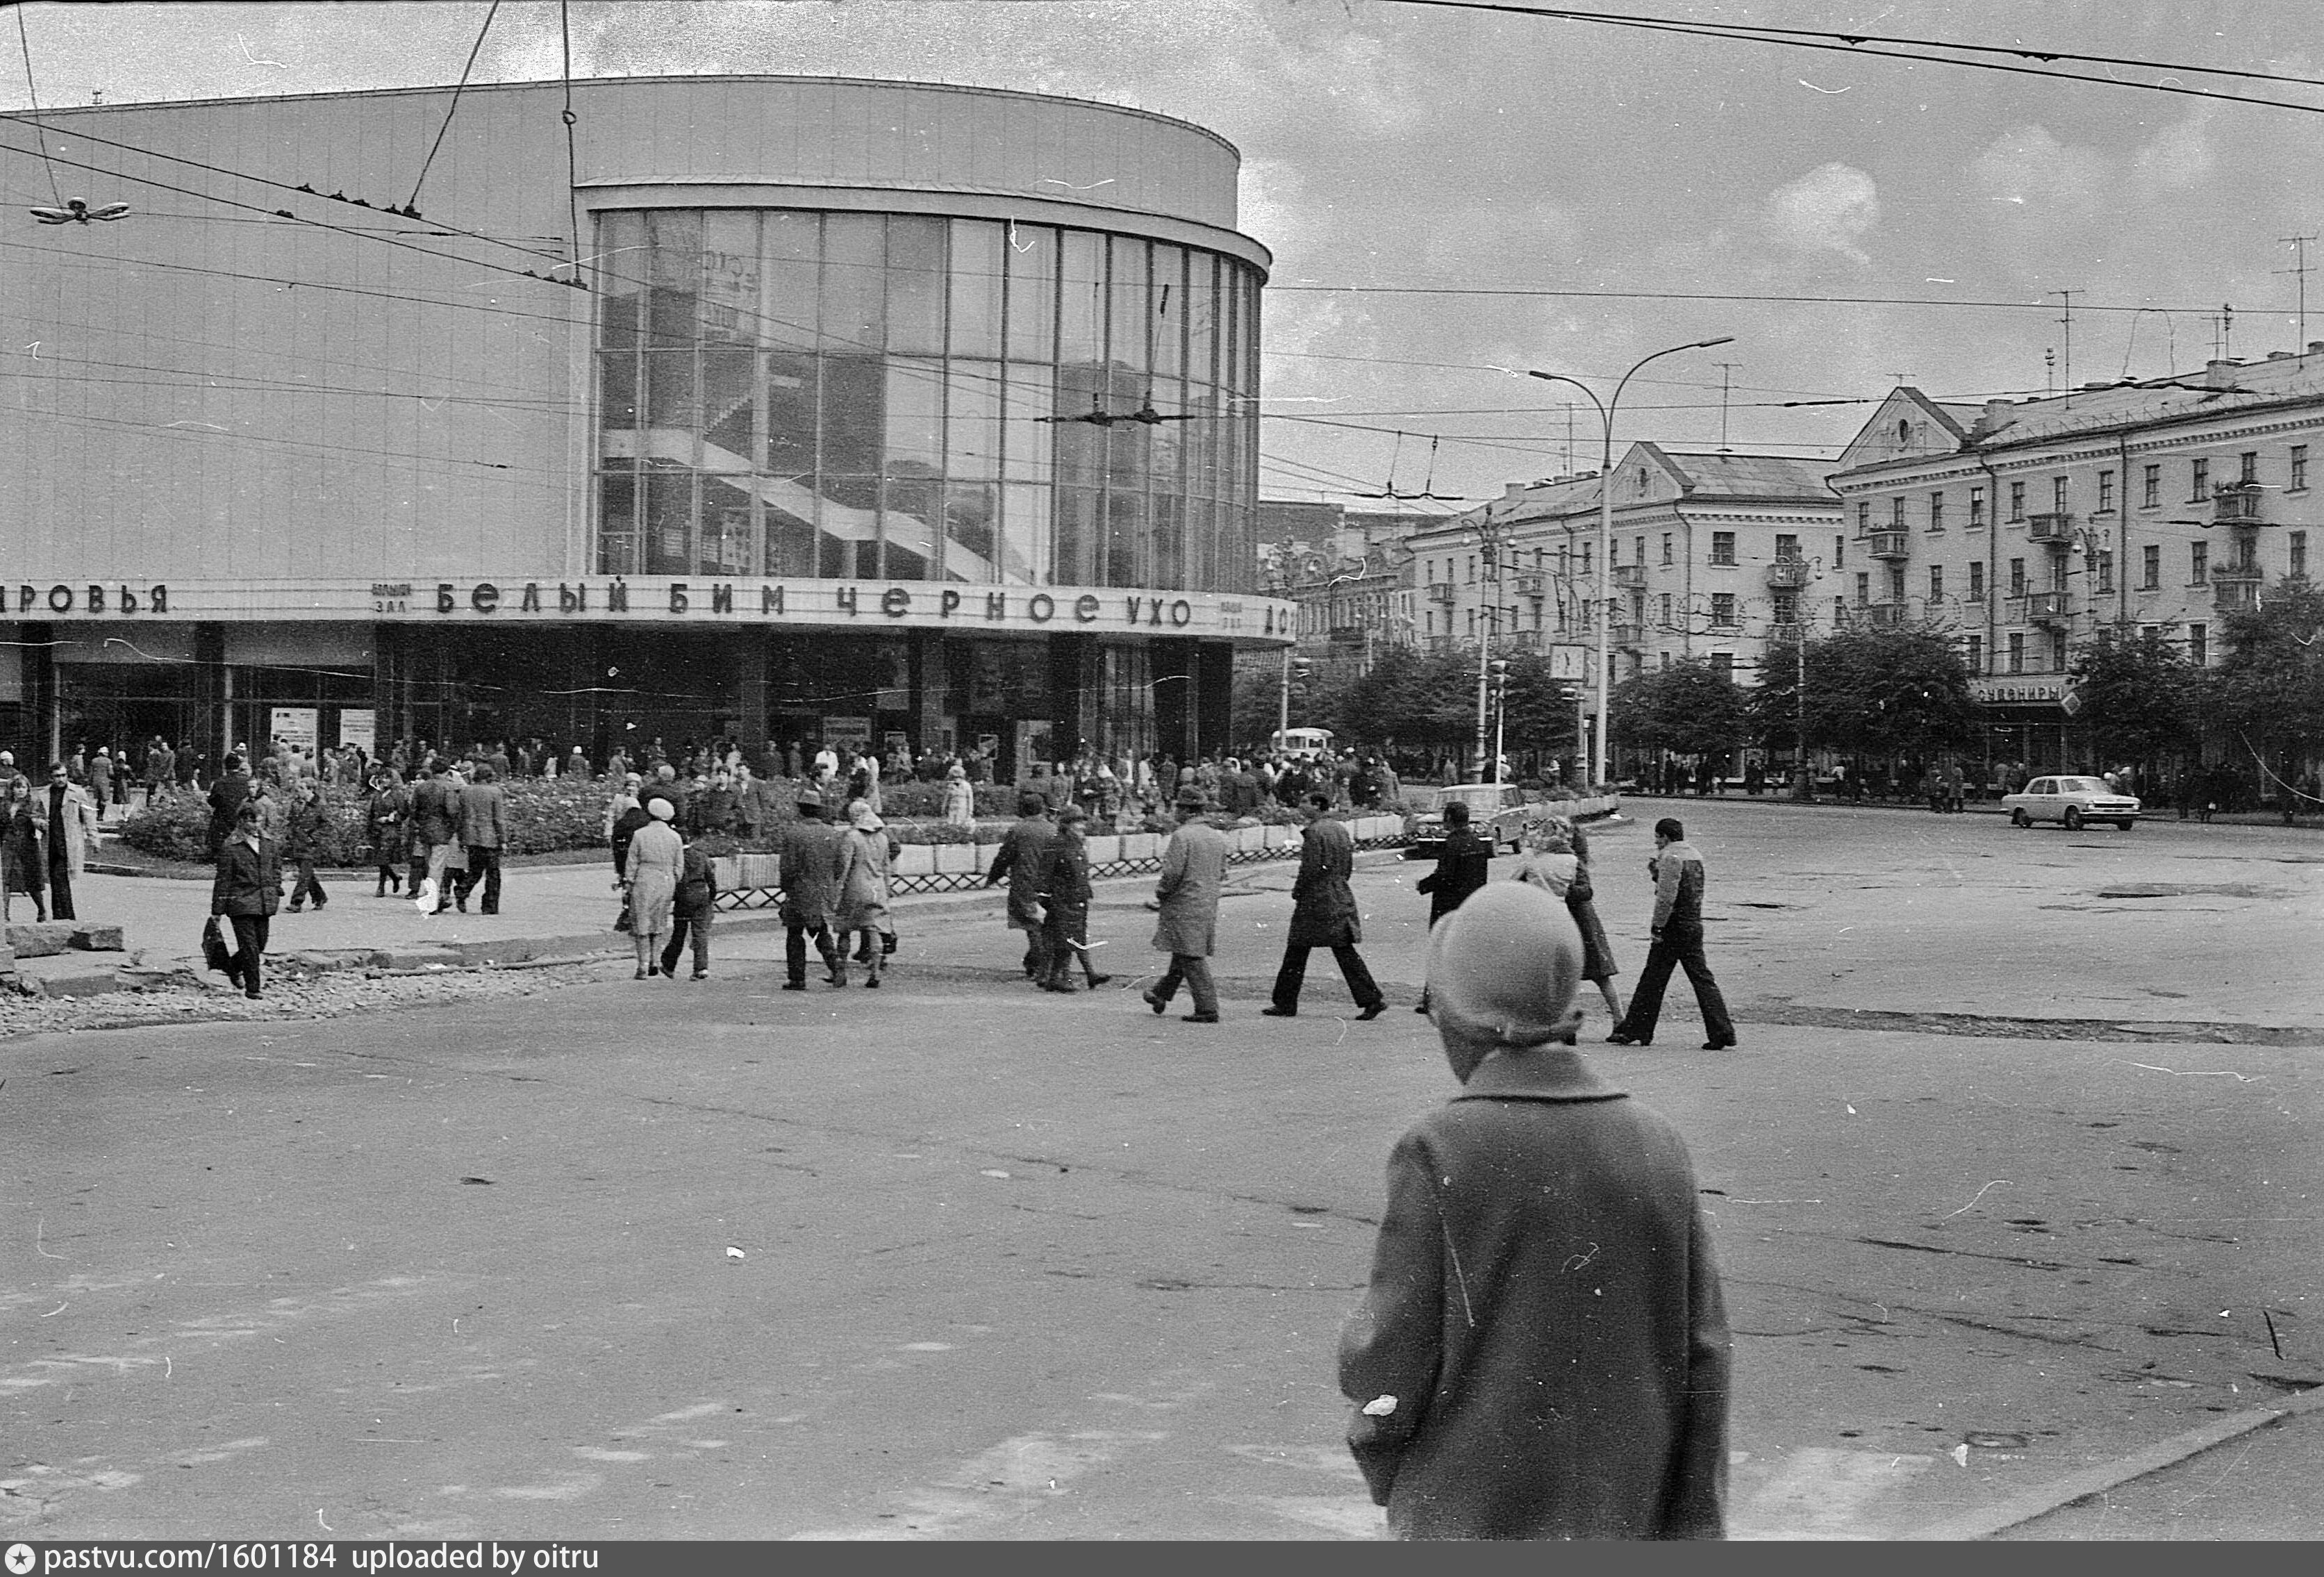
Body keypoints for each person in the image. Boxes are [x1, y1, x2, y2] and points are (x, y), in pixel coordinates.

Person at [1338, 881, 1731, 1540]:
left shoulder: (1439, 1148)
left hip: (1466, 1516)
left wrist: (1389, 1470)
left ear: (1461, 1017)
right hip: (1626, 1517)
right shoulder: (1657, 1142)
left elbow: (1389, 1357)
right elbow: (1705, 1357)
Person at [1607, 817, 1736, 1051]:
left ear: (1665, 836)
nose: (1656, 842)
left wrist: (1657, 927)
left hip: (1673, 926)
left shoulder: (1670, 857)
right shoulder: (1694, 854)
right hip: (1693, 923)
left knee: (1652, 979)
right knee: (1702, 979)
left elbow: (1666, 897)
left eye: (1658, 837)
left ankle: (1636, 1029)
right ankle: (1722, 1031)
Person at [1265, 791, 1387, 1020]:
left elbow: (1310, 868)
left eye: (1305, 802)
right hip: (1338, 893)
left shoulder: (1314, 832)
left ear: (1317, 805)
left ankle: (1285, 1002)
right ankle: (1371, 998)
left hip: (1316, 899)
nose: (1301, 806)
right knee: (1342, 949)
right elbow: (1348, 865)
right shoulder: (1339, 829)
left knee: (1297, 949)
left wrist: (1299, 890)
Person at [1511, 816, 1623, 1025]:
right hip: (1567, 919)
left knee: (1598, 974)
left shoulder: (1572, 861)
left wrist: (1565, 892)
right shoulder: (1544, 859)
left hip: (1581, 921)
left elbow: (1586, 891)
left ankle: (1618, 1017)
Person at [1141, 788, 1229, 1023]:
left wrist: (1161, 892)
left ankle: (1207, 1007)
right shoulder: (1217, 836)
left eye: (1178, 807)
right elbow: (1223, 872)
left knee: (1190, 955)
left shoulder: (1183, 836)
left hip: (1183, 902)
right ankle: (1160, 993)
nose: (1175, 811)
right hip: (1207, 902)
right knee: (1184, 950)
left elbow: (1172, 873)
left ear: (1187, 810)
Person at [1412, 798, 1492, 1016]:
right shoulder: (1477, 842)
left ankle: (1431, 1000)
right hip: (1470, 904)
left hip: (1448, 905)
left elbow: (1445, 876)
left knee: (1439, 951)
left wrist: (1424, 885)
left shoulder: (1452, 844)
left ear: (1449, 819)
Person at [210, 800, 283, 1000]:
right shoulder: (231, 846)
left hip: (264, 901)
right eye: (252, 822)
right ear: (242, 821)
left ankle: (232, 967)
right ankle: (253, 988)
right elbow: (223, 880)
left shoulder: (268, 842)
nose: (256, 826)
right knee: (250, 947)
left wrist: (275, 887)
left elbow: (276, 867)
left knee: (260, 944)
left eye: (259, 821)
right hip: (240, 902)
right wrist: (217, 910)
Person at [986, 791, 1059, 983]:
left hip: (1025, 884)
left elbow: (1004, 857)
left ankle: (1040, 967)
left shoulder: (1019, 830)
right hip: (1050, 884)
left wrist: (993, 877)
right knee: (1045, 925)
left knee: (1032, 925)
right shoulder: (1053, 829)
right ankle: (1035, 963)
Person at [1036, 804, 1110, 993]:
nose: (1082, 826)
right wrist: (1042, 899)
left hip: (1078, 897)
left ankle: (1086, 975)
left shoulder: (1077, 842)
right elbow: (1045, 873)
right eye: (1078, 822)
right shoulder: (1057, 843)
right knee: (1066, 939)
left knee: (1075, 937)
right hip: (1062, 898)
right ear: (1068, 824)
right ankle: (1056, 978)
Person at [778, 787, 845, 989]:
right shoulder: (832, 833)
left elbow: (787, 867)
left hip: (800, 891)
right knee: (820, 930)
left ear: (801, 810)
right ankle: (836, 967)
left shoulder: (794, 834)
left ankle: (797, 978)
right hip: (824, 891)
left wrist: (787, 887)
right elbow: (840, 865)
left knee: (795, 934)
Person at [833, 798, 896, 989]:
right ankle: (875, 972)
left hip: (855, 887)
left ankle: (841, 972)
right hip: (877, 888)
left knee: (845, 930)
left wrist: (837, 890)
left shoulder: (851, 837)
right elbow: (887, 867)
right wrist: (886, 889)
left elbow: (844, 867)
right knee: (874, 929)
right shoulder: (883, 838)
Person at [623, 793, 683, 980]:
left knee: (641, 920)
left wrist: (629, 883)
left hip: (644, 878)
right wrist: (673, 878)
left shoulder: (640, 835)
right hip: (665, 879)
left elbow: (631, 862)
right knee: (659, 920)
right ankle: (655, 961)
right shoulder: (675, 837)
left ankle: (642, 964)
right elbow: (679, 866)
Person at [40, 763, 97, 922]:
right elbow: (36, 814)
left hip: (69, 841)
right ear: (51, 777)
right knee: (55, 879)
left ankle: (66, 917)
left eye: (63, 775)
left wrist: (94, 838)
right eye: (57, 776)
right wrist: (39, 823)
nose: (61, 779)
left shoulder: (77, 792)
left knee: (60, 878)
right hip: (51, 841)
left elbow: (89, 815)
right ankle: (61, 916)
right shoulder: (44, 793)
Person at [659, 836, 719, 980]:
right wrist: (712, 895)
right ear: (690, 841)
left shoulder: (676, 857)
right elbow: (711, 878)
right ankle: (701, 967)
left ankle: (669, 963)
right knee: (700, 933)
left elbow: (674, 878)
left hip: (683, 897)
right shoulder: (700, 856)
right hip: (701, 896)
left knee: (679, 932)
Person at [456, 762, 508, 914]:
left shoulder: (466, 792)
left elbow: (461, 817)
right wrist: (503, 839)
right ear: (490, 776)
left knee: (475, 870)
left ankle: (462, 891)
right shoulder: (495, 792)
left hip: (471, 836)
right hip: (490, 837)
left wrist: (461, 837)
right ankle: (489, 906)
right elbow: (498, 819)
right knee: (493, 873)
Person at [3, 775, 49, 921]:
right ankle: (4, 916)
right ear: (12, 789)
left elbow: (41, 820)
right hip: (9, 845)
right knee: (5, 880)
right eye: (17, 787)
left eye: (23, 787)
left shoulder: (33, 803)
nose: (20, 790)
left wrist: (39, 824)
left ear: (28, 789)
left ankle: (41, 910)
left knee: (32, 880)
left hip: (28, 844)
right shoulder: (5, 805)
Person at [283, 777, 330, 912]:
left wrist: (313, 837)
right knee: (308, 874)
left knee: (304, 874)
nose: (298, 792)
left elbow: (326, 825)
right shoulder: (296, 804)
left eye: (302, 789)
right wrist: (289, 835)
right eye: (298, 789)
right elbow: (291, 821)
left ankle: (296, 902)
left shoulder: (319, 805)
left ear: (310, 790)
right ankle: (320, 896)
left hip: (311, 845)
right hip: (298, 843)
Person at [364, 767, 408, 895]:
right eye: (382, 777)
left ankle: (381, 886)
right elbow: (372, 813)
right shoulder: (376, 795)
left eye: (387, 778)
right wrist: (371, 826)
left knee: (383, 858)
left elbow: (404, 812)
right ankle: (394, 877)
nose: (385, 780)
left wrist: (393, 818)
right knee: (379, 859)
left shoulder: (397, 795)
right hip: (377, 830)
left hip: (391, 830)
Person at [205, 752, 253, 859]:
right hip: (242, 817)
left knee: (221, 847)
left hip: (222, 818)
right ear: (239, 765)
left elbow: (212, 802)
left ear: (225, 766)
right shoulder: (246, 781)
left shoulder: (220, 782)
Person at [941, 762, 976, 828]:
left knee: (961, 824)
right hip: (952, 808)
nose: (956, 779)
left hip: (962, 808)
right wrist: (944, 808)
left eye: (958, 777)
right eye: (954, 777)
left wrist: (970, 812)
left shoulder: (967, 786)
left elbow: (970, 799)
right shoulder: (951, 786)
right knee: (951, 824)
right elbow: (947, 798)